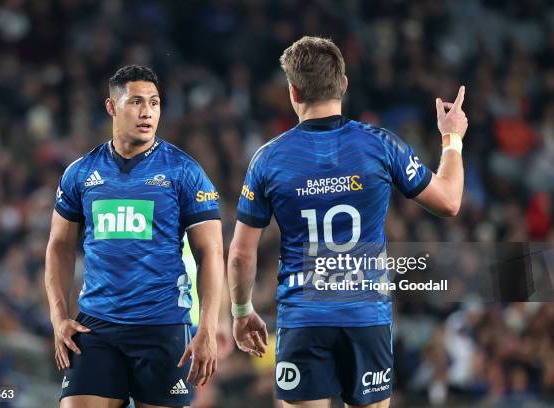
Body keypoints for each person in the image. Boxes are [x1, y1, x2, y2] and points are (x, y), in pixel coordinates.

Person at [227, 36, 467, 408]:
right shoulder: (381, 145)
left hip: (304, 318)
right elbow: (450, 202)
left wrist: (242, 311)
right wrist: (452, 138)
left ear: (292, 91)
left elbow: (242, 254)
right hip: (365, 316)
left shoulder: (268, 159)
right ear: (343, 84)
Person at [45, 65, 224, 408]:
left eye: (155, 103)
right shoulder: (81, 172)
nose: (147, 112)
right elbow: (59, 246)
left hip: (162, 327)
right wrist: (58, 318)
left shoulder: (184, 171)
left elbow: (211, 253)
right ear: (112, 107)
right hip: (96, 327)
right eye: (136, 102)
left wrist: (208, 328)